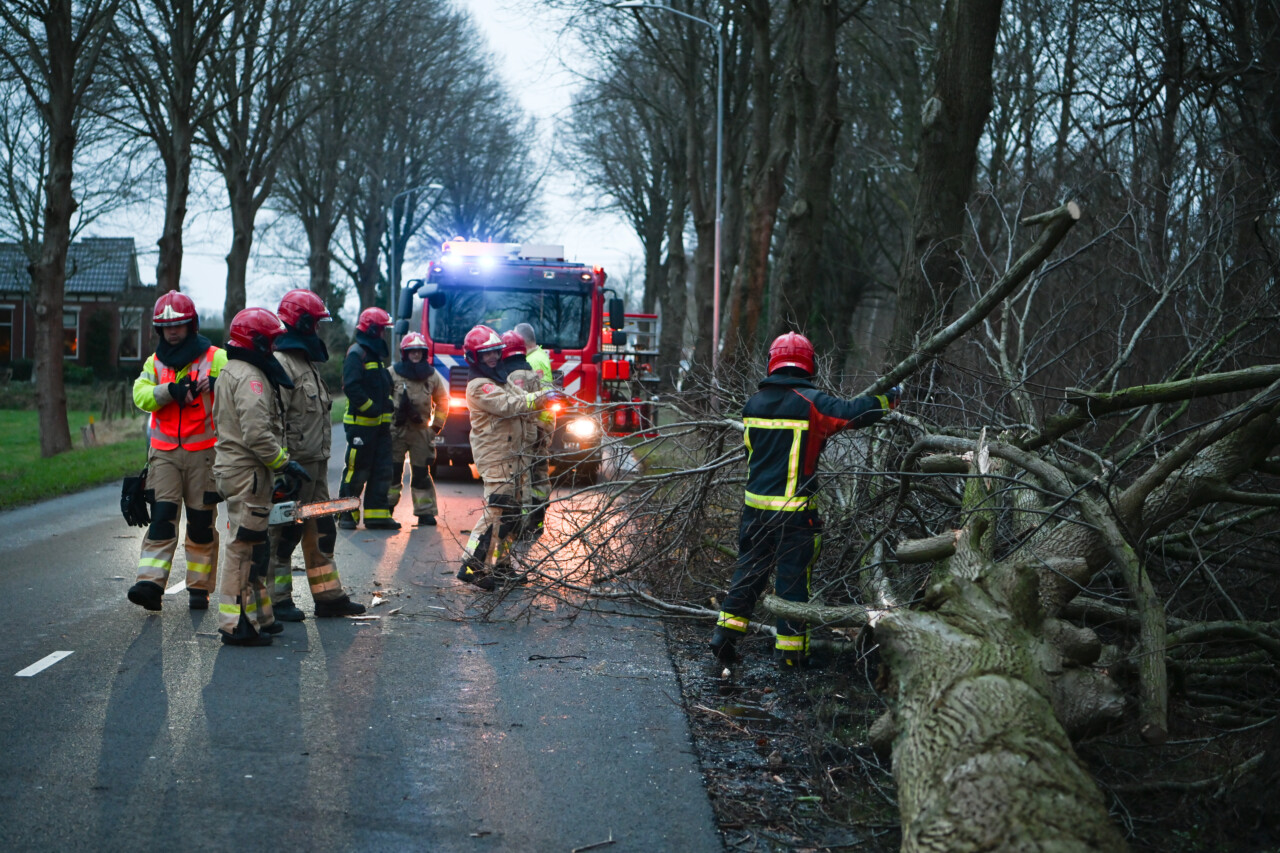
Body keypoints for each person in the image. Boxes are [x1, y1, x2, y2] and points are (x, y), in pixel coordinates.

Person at [709, 332, 900, 669]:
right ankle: (792, 656)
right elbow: (853, 413)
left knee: (748, 575)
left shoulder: (752, 404)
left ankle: (724, 636)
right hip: (796, 517)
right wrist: (889, 398)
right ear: (810, 364)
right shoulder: (812, 402)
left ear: (773, 361)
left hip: (754, 511)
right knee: (793, 583)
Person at [212, 307, 311, 646]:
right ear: (254, 341)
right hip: (247, 473)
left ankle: (260, 617)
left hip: (239, 470)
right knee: (243, 548)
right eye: (268, 342)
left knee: (256, 547)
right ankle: (237, 624)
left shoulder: (233, 370)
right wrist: (284, 463)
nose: (272, 349)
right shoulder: (251, 378)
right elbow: (256, 434)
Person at [266, 289, 367, 621]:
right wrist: (281, 467)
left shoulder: (304, 363)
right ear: (303, 322)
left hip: (316, 469)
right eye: (317, 324)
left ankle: (328, 598)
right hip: (293, 468)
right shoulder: (281, 364)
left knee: (322, 530)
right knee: (284, 533)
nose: (320, 331)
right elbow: (274, 417)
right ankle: (277, 601)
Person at [127, 291, 227, 613]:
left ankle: (199, 588)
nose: (172, 332)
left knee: (201, 524)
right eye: (166, 327)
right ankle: (150, 585)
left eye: (179, 325)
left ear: (191, 325)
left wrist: (217, 385)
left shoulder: (216, 357)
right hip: (165, 455)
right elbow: (140, 395)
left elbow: (237, 385)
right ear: (158, 330)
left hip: (204, 455)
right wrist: (169, 391)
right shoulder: (154, 362)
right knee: (162, 519)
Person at [455, 324, 558, 591]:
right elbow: (510, 406)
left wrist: (539, 401)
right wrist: (540, 397)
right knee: (497, 510)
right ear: (474, 357)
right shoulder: (479, 386)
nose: (492, 358)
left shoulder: (502, 379)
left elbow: (522, 399)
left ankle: (500, 565)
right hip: (497, 457)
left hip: (515, 455)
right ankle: (471, 565)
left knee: (513, 514)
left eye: (495, 352)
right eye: (486, 354)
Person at [338, 307, 399, 530]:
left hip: (380, 428)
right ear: (372, 329)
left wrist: (388, 405)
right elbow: (351, 387)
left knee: (382, 470)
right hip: (361, 427)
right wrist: (371, 408)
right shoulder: (357, 353)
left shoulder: (373, 355)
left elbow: (380, 387)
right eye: (382, 329)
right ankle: (346, 515)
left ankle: (377, 515)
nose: (383, 334)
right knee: (357, 471)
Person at [388, 332, 449, 526]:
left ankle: (425, 512)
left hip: (422, 432)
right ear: (404, 353)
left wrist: (435, 427)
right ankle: (385, 509)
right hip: (396, 432)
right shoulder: (392, 373)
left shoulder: (431, 375)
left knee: (422, 473)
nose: (416, 355)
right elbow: (381, 397)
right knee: (392, 472)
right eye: (411, 351)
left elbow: (443, 401)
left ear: (424, 353)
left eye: (419, 352)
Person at [501, 329, 553, 543]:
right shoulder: (536, 360)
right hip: (541, 423)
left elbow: (528, 400)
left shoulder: (529, 365)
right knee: (538, 472)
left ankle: (527, 523)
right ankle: (536, 521)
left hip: (534, 425)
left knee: (527, 475)